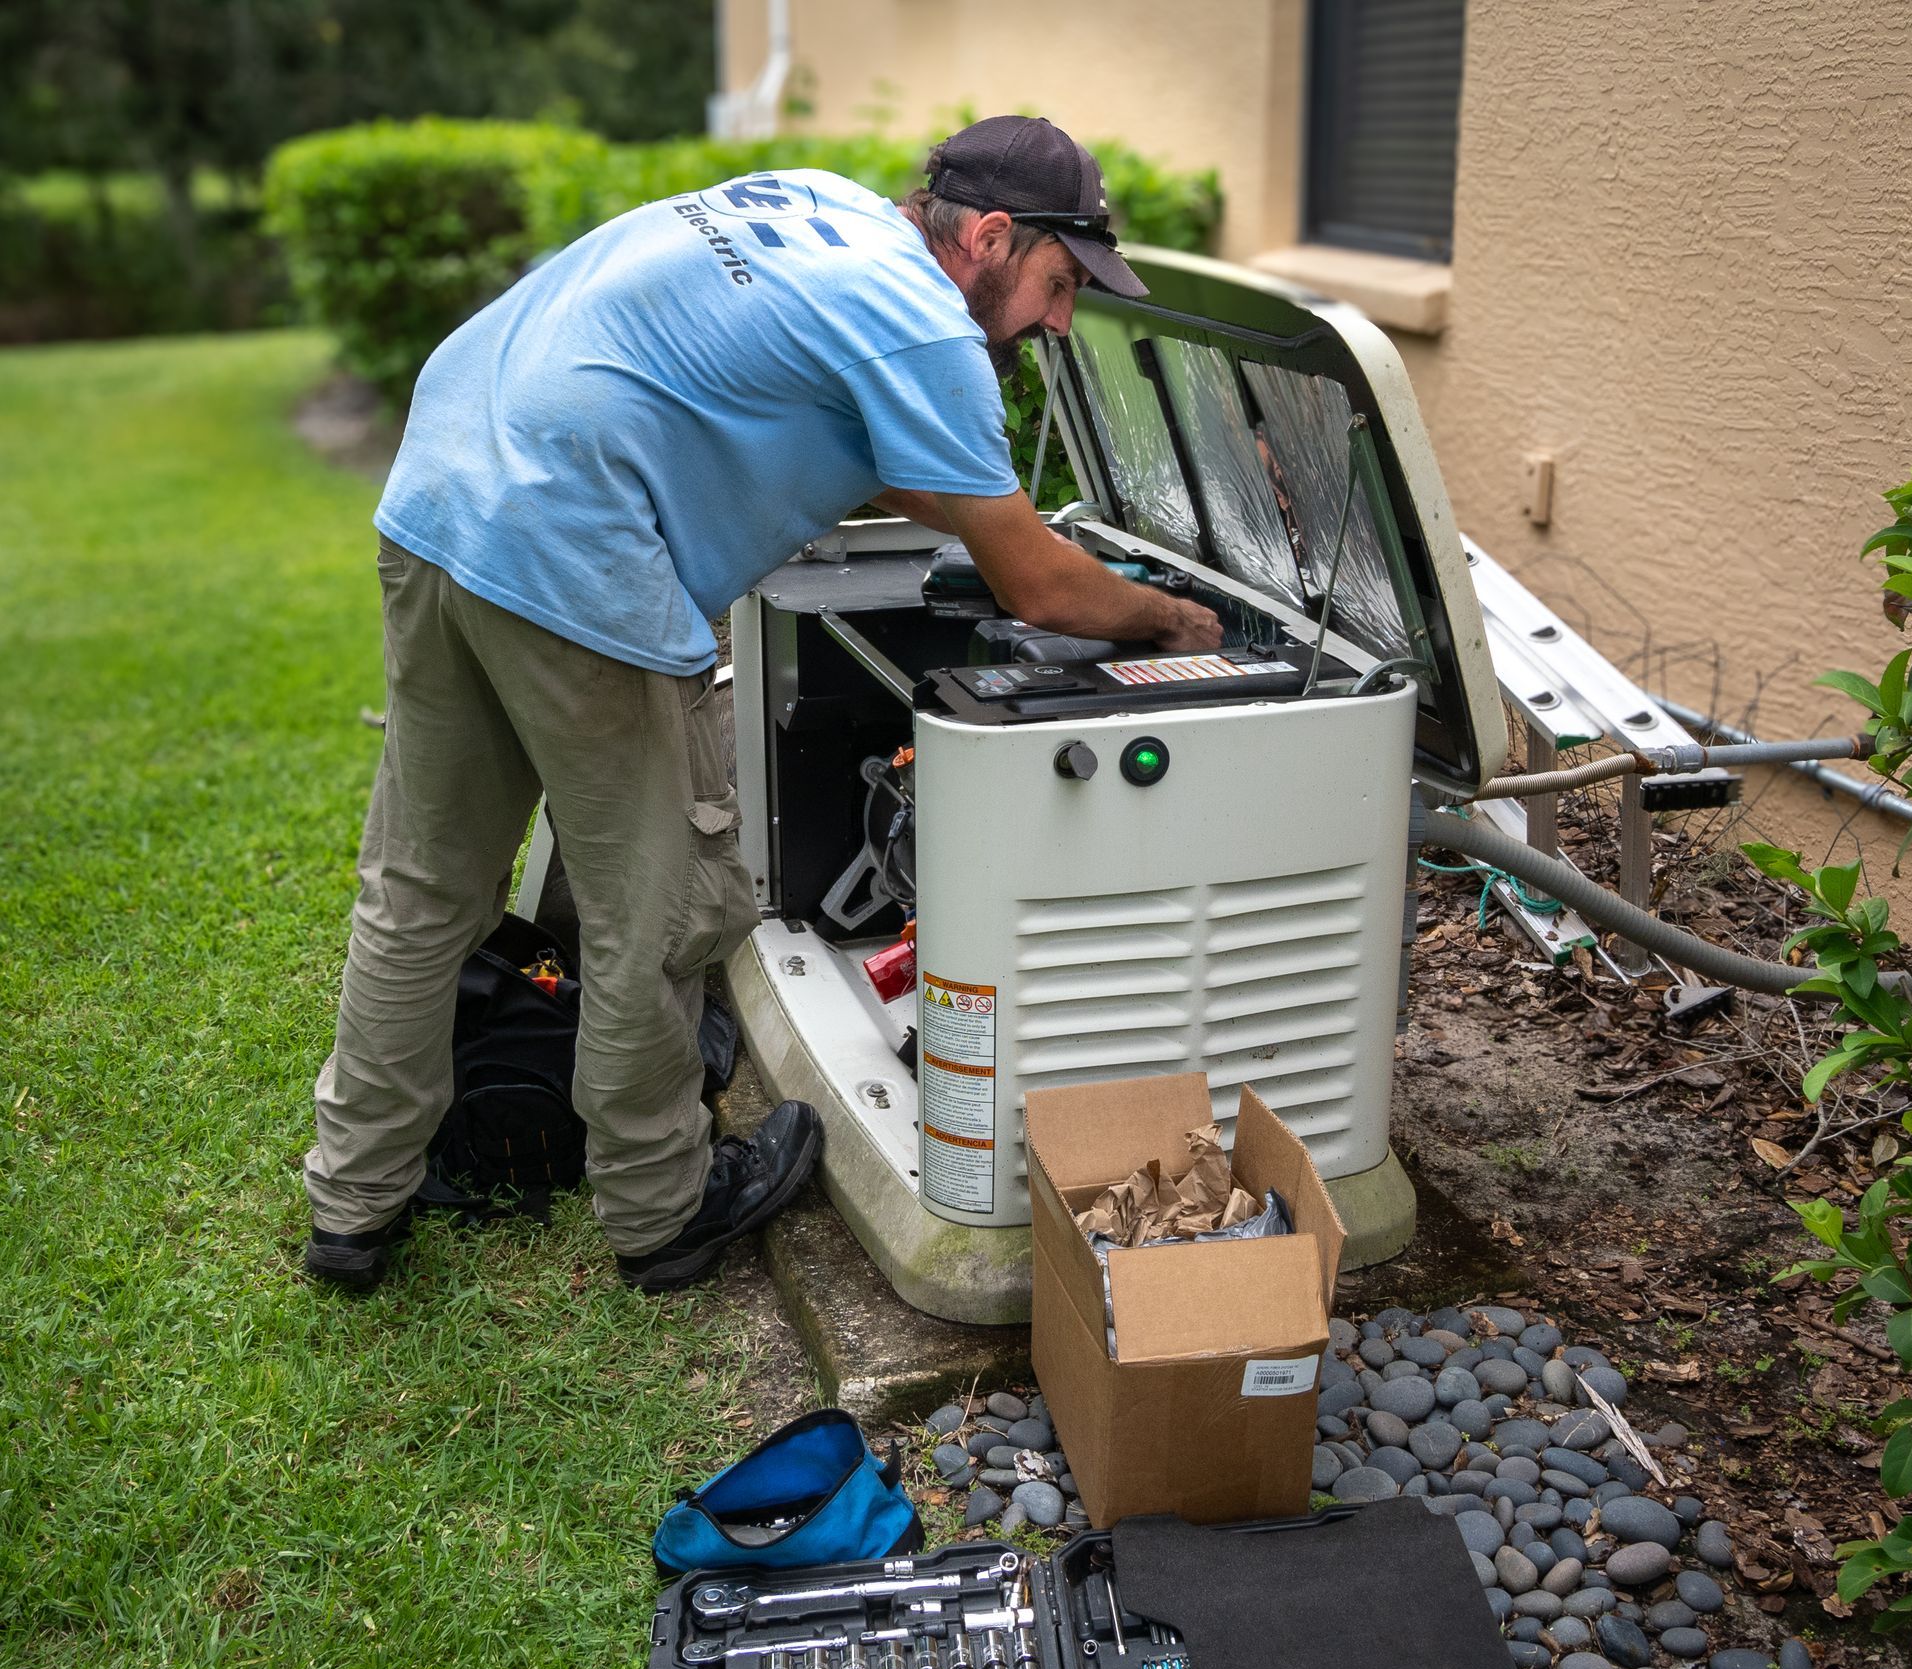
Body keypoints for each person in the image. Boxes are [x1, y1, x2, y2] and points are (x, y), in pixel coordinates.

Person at [302, 113, 1224, 1295]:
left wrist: (1007, 524)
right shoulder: (923, 325)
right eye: (1058, 284)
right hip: (574, 541)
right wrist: (1166, 621)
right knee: (658, 910)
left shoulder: (823, 208)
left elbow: (883, 460)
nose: (1059, 321)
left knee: (422, 883)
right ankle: (664, 1210)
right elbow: (1038, 587)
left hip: (444, 494)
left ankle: (351, 1206)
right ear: (990, 238)